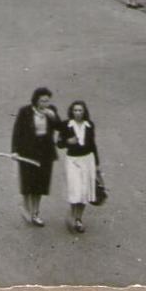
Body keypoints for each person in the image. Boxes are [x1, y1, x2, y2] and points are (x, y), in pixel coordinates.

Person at [11, 87, 61, 226]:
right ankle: (26, 208)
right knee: (28, 182)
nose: (44, 104)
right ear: (36, 100)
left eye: (47, 101)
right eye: (42, 101)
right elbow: (17, 132)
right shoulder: (25, 111)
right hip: (27, 152)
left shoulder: (51, 111)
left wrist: (53, 116)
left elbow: (61, 128)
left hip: (45, 152)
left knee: (40, 185)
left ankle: (35, 213)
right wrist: (15, 151)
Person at [57, 100, 99, 234]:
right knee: (75, 188)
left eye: (80, 110)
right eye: (75, 110)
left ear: (84, 112)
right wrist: (67, 141)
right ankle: (72, 213)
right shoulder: (66, 125)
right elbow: (59, 144)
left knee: (84, 190)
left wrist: (97, 164)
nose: (77, 113)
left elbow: (93, 145)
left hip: (87, 160)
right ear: (71, 111)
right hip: (72, 160)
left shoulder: (89, 125)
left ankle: (78, 219)